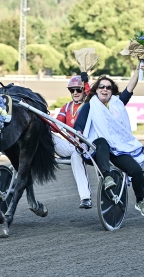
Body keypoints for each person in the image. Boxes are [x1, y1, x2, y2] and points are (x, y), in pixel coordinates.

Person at [73, 63, 144, 217]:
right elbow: (80, 125)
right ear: (96, 90)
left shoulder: (118, 104)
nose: (105, 89)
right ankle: (107, 177)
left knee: (137, 171)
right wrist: (77, 136)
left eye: (108, 87)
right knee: (102, 141)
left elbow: (130, 86)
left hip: (116, 148)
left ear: (112, 91)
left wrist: (137, 69)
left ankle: (140, 201)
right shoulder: (89, 106)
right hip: (95, 149)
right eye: (101, 86)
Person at [52, 72, 92, 209]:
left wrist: (86, 83)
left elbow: (93, 97)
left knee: (76, 155)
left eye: (78, 90)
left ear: (83, 91)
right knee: (47, 136)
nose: (75, 93)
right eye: (72, 90)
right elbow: (56, 125)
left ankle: (85, 197)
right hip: (67, 144)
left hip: (83, 146)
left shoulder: (89, 105)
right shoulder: (66, 107)